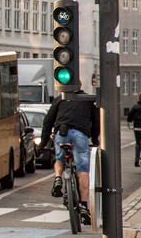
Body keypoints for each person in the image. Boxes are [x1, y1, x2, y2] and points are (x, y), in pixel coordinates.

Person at [42, 87, 100, 225]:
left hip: (62, 133)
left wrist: (43, 142)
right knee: (82, 170)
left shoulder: (60, 99)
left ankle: (58, 179)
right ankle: (84, 205)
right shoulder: (88, 99)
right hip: (80, 134)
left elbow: (48, 121)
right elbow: (96, 121)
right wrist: (95, 138)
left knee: (59, 159)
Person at [128, 92, 141, 168]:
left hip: (137, 128)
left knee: (138, 143)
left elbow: (130, 116)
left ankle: (137, 160)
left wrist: (129, 120)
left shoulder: (135, 107)